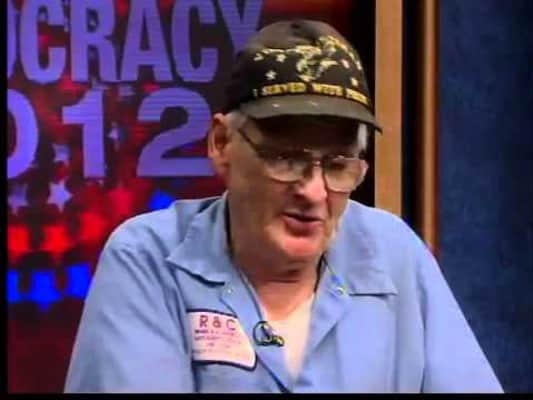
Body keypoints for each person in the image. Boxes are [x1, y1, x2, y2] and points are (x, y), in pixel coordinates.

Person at [64, 19, 503, 393]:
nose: (314, 192)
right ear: (222, 143)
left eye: (338, 165)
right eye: (286, 158)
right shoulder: (148, 258)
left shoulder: (394, 254)